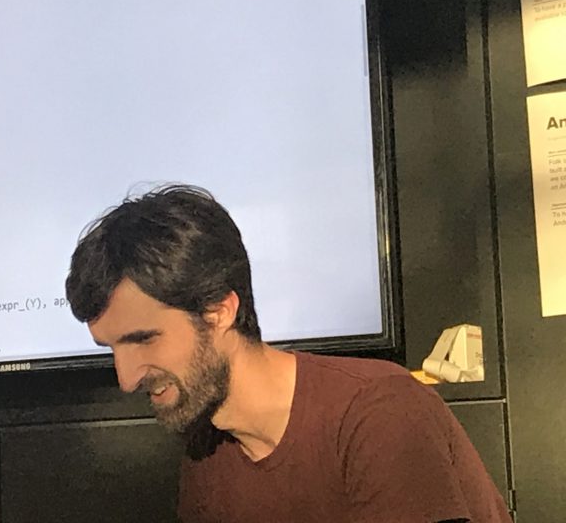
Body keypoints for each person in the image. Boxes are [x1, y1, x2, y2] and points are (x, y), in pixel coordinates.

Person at [65, 184, 513, 523]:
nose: (126, 378)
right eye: (112, 348)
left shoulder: (378, 411)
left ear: (219, 311)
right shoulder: (208, 457)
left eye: (143, 339)